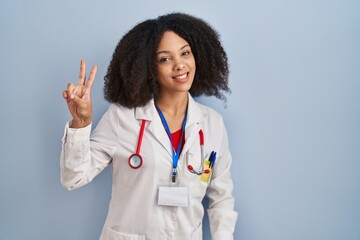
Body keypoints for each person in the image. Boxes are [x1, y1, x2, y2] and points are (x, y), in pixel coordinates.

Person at [61, 13, 238, 240]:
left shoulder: (212, 123)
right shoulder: (122, 117)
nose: (180, 65)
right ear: (149, 68)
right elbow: (73, 178)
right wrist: (81, 123)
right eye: (165, 59)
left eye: (185, 53)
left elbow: (222, 197)